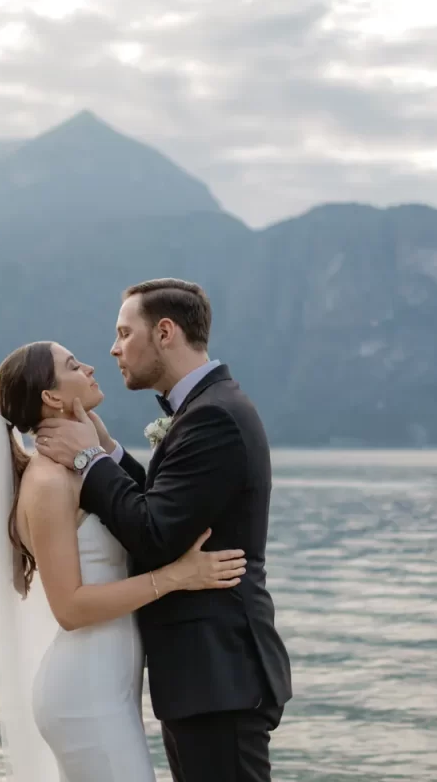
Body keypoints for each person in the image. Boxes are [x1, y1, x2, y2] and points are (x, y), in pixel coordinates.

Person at [35, 278, 292, 782]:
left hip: (220, 677)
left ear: (166, 332)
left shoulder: (213, 417)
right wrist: (108, 454)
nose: (113, 349)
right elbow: (165, 505)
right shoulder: (207, 408)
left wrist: (87, 460)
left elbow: (154, 533)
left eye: (124, 333)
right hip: (204, 678)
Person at [0, 340, 248, 782]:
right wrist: (177, 576)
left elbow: (145, 516)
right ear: (51, 397)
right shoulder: (48, 481)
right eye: (72, 365)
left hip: (108, 685)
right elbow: (69, 608)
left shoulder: (79, 469)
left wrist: (102, 447)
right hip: (84, 694)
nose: (89, 366)